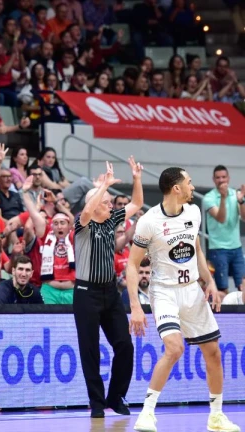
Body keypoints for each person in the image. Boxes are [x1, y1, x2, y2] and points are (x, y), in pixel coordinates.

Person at [128, 167, 240, 432]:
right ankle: (147, 413)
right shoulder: (149, 221)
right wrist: (135, 305)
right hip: (164, 292)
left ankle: (216, 416)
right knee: (175, 348)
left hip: (192, 290)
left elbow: (196, 248)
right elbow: (132, 264)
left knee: (213, 352)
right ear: (176, 188)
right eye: (189, 182)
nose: (193, 187)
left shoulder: (193, 212)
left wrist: (209, 281)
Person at [74, 159, 143, 418]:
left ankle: (115, 396)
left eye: (110, 202)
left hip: (110, 293)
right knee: (90, 350)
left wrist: (136, 178)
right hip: (86, 294)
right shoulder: (82, 224)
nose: (111, 205)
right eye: (106, 202)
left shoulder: (111, 220)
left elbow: (136, 203)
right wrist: (102, 186)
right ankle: (97, 402)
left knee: (125, 345)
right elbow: (87, 210)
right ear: (94, 204)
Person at [202, 165, 245, 303]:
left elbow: (244, 217)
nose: (221, 180)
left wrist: (241, 201)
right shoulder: (208, 197)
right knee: (222, 289)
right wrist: (223, 197)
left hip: (236, 247)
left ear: (228, 178)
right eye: (218, 177)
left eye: (223, 177)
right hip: (218, 248)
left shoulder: (236, 194)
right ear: (213, 179)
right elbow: (221, 218)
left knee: (242, 286)